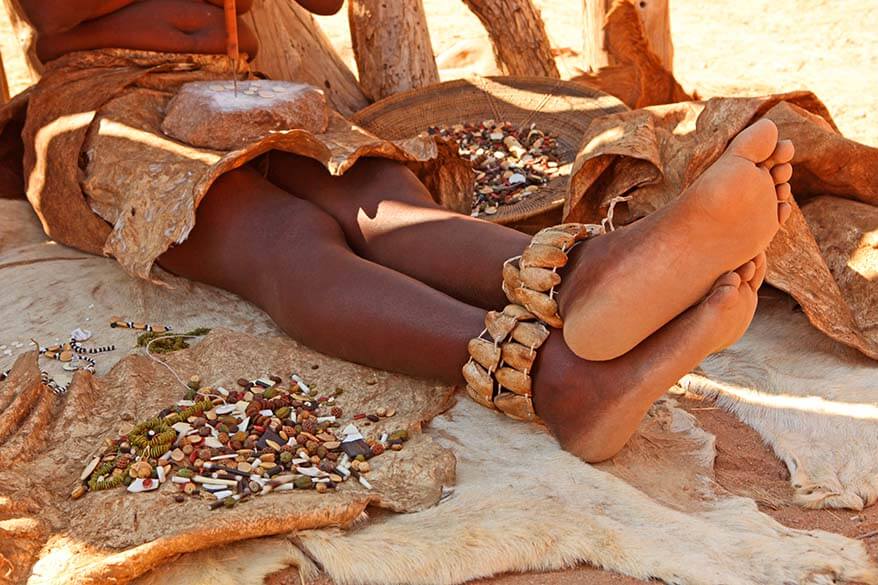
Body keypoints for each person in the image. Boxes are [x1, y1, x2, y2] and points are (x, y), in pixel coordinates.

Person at [12, 0, 794, 462]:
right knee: (283, 235)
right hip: (104, 103)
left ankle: (583, 273)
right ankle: (558, 379)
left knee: (382, 193)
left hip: (242, 95)